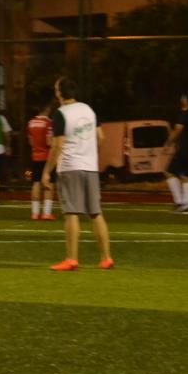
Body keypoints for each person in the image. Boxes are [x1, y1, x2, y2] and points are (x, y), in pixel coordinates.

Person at [42, 77, 113, 271]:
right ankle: (106, 258)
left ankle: (71, 259)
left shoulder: (61, 114)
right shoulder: (89, 110)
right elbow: (101, 138)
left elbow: (57, 146)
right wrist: (90, 154)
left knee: (71, 212)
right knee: (95, 213)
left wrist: (47, 171)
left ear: (59, 93)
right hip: (90, 167)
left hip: (70, 167)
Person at [163, 92, 188, 214]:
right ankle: (186, 205)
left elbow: (177, 130)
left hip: (185, 148)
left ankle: (180, 202)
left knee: (169, 172)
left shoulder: (185, 114)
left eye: (183, 98)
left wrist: (167, 143)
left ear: (185, 100)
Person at [26, 103, 56, 221]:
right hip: (47, 157)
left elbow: (30, 142)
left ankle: (35, 213)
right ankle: (46, 213)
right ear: (47, 109)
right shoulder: (48, 123)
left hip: (35, 156)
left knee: (36, 183)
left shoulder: (31, 122)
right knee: (48, 184)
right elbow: (49, 141)